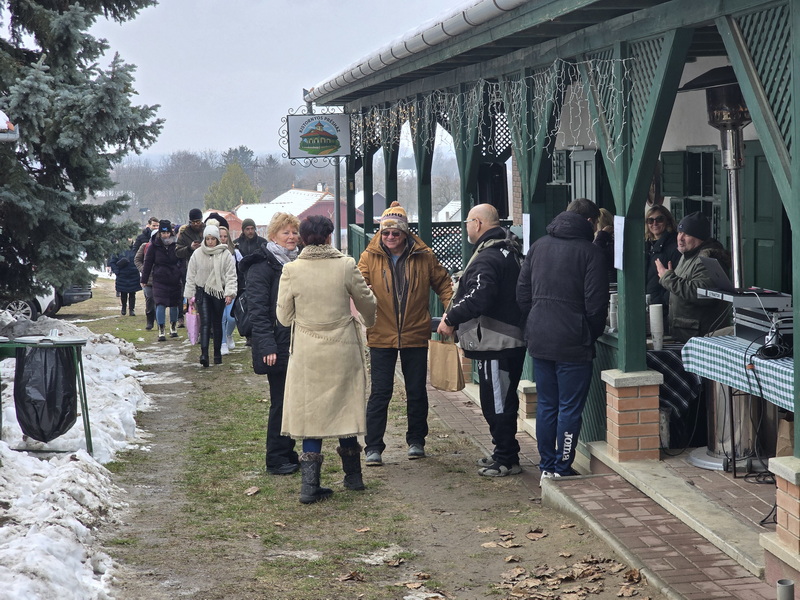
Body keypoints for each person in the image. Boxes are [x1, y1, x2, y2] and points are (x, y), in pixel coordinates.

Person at [276, 215, 376, 504]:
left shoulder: (291, 270)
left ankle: (309, 486)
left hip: (307, 351)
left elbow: (283, 317)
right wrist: (369, 322)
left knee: (311, 413)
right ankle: (353, 477)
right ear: (330, 237)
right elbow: (367, 301)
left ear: (303, 239)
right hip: (342, 348)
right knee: (345, 407)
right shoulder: (346, 265)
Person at [516, 198, 609, 483]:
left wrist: (535, 321)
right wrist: (587, 332)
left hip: (540, 338)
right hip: (573, 342)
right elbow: (596, 306)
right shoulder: (591, 253)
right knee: (569, 407)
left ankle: (547, 464)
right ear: (591, 222)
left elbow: (522, 294)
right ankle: (562, 466)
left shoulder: (538, 246)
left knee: (547, 405)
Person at [357, 201, 453, 466]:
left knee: (416, 391)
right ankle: (373, 447)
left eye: (396, 233)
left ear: (405, 233)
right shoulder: (368, 257)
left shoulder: (424, 256)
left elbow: (444, 283)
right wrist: (361, 298)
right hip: (381, 334)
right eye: (385, 232)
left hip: (415, 333)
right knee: (380, 392)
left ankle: (416, 441)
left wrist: (451, 312)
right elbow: (356, 285)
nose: (390, 237)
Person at [436, 204, 526, 477]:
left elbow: (479, 296)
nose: (466, 227)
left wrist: (451, 318)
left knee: (497, 403)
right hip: (508, 340)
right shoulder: (509, 249)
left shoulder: (488, 257)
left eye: (467, 222)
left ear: (477, 223)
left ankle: (506, 459)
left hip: (497, 343)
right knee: (501, 400)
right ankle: (504, 452)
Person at [240, 213, 301, 475]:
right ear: (273, 236)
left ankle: (288, 451)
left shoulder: (296, 262)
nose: (291, 237)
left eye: (294, 232)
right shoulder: (262, 265)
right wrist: (267, 347)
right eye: (286, 232)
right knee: (280, 401)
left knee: (293, 400)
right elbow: (258, 311)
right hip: (275, 344)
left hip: (295, 342)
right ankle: (275, 458)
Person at [655, 211, 731, 342]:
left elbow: (700, 293)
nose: (680, 238)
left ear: (700, 237)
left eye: (687, 234)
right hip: (684, 334)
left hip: (701, 338)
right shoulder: (688, 255)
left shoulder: (708, 259)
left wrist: (667, 277)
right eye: (679, 232)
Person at [183, 223, 237, 367]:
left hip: (219, 292)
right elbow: (191, 275)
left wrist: (229, 293)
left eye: (213, 239)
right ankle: (204, 354)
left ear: (217, 239)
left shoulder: (225, 254)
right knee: (205, 322)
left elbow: (231, 275)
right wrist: (189, 294)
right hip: (202, 291)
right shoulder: (198, 254)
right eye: (208, 239)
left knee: (217, 323)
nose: (210, 242)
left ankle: (217, 354)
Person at [141, 220, 184, 342]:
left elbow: (181, 260)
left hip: (174, 278)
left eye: (167, 233)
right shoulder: (154, 246)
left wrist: (180, 273)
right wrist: (144, 279)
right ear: (159, 233)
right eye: (163, 233)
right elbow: (148, 263)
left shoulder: (176, 244)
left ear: (171, 233)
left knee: (174, 304)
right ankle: (161, 329)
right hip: (159, 279)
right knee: (160, 303)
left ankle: (173, 327)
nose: (165, 235)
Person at [645, 205, 682, 328]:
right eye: (650, 220)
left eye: (659, 219)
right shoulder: (646, 245)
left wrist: (664, 301)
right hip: (648, 306)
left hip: (664, 310)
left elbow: (679, 276)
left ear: (668, 221)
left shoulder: (675, 246)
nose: (654, 223)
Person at [218, 224, 240, 355]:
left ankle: (229, 334)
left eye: (225, 236)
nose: (222, 239)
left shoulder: (235, 252)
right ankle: (223, 343)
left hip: (231, 288)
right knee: (221, 318)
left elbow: (242, 268)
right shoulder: (212, 252)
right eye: (220, 236)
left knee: (231, 317)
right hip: (217, 289)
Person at [134, 228, 158, 330]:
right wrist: (143, 270)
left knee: (159, 301)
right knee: (150, 298)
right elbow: (137, 259)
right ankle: (150, 320)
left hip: (160, 278)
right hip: (147, 279)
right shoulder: (145, 246)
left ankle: (159, 321)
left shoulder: (164, 247)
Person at [108, 246, 142, 316]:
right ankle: (124, 307)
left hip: (133, 274)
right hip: (122, 275)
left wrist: (138, 269)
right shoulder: (118, 249)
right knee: (123, 293)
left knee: (132, 293)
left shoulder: (136, 249)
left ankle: (131, 309)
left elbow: (140, 260)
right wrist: (117, 271)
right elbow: (113, 262)